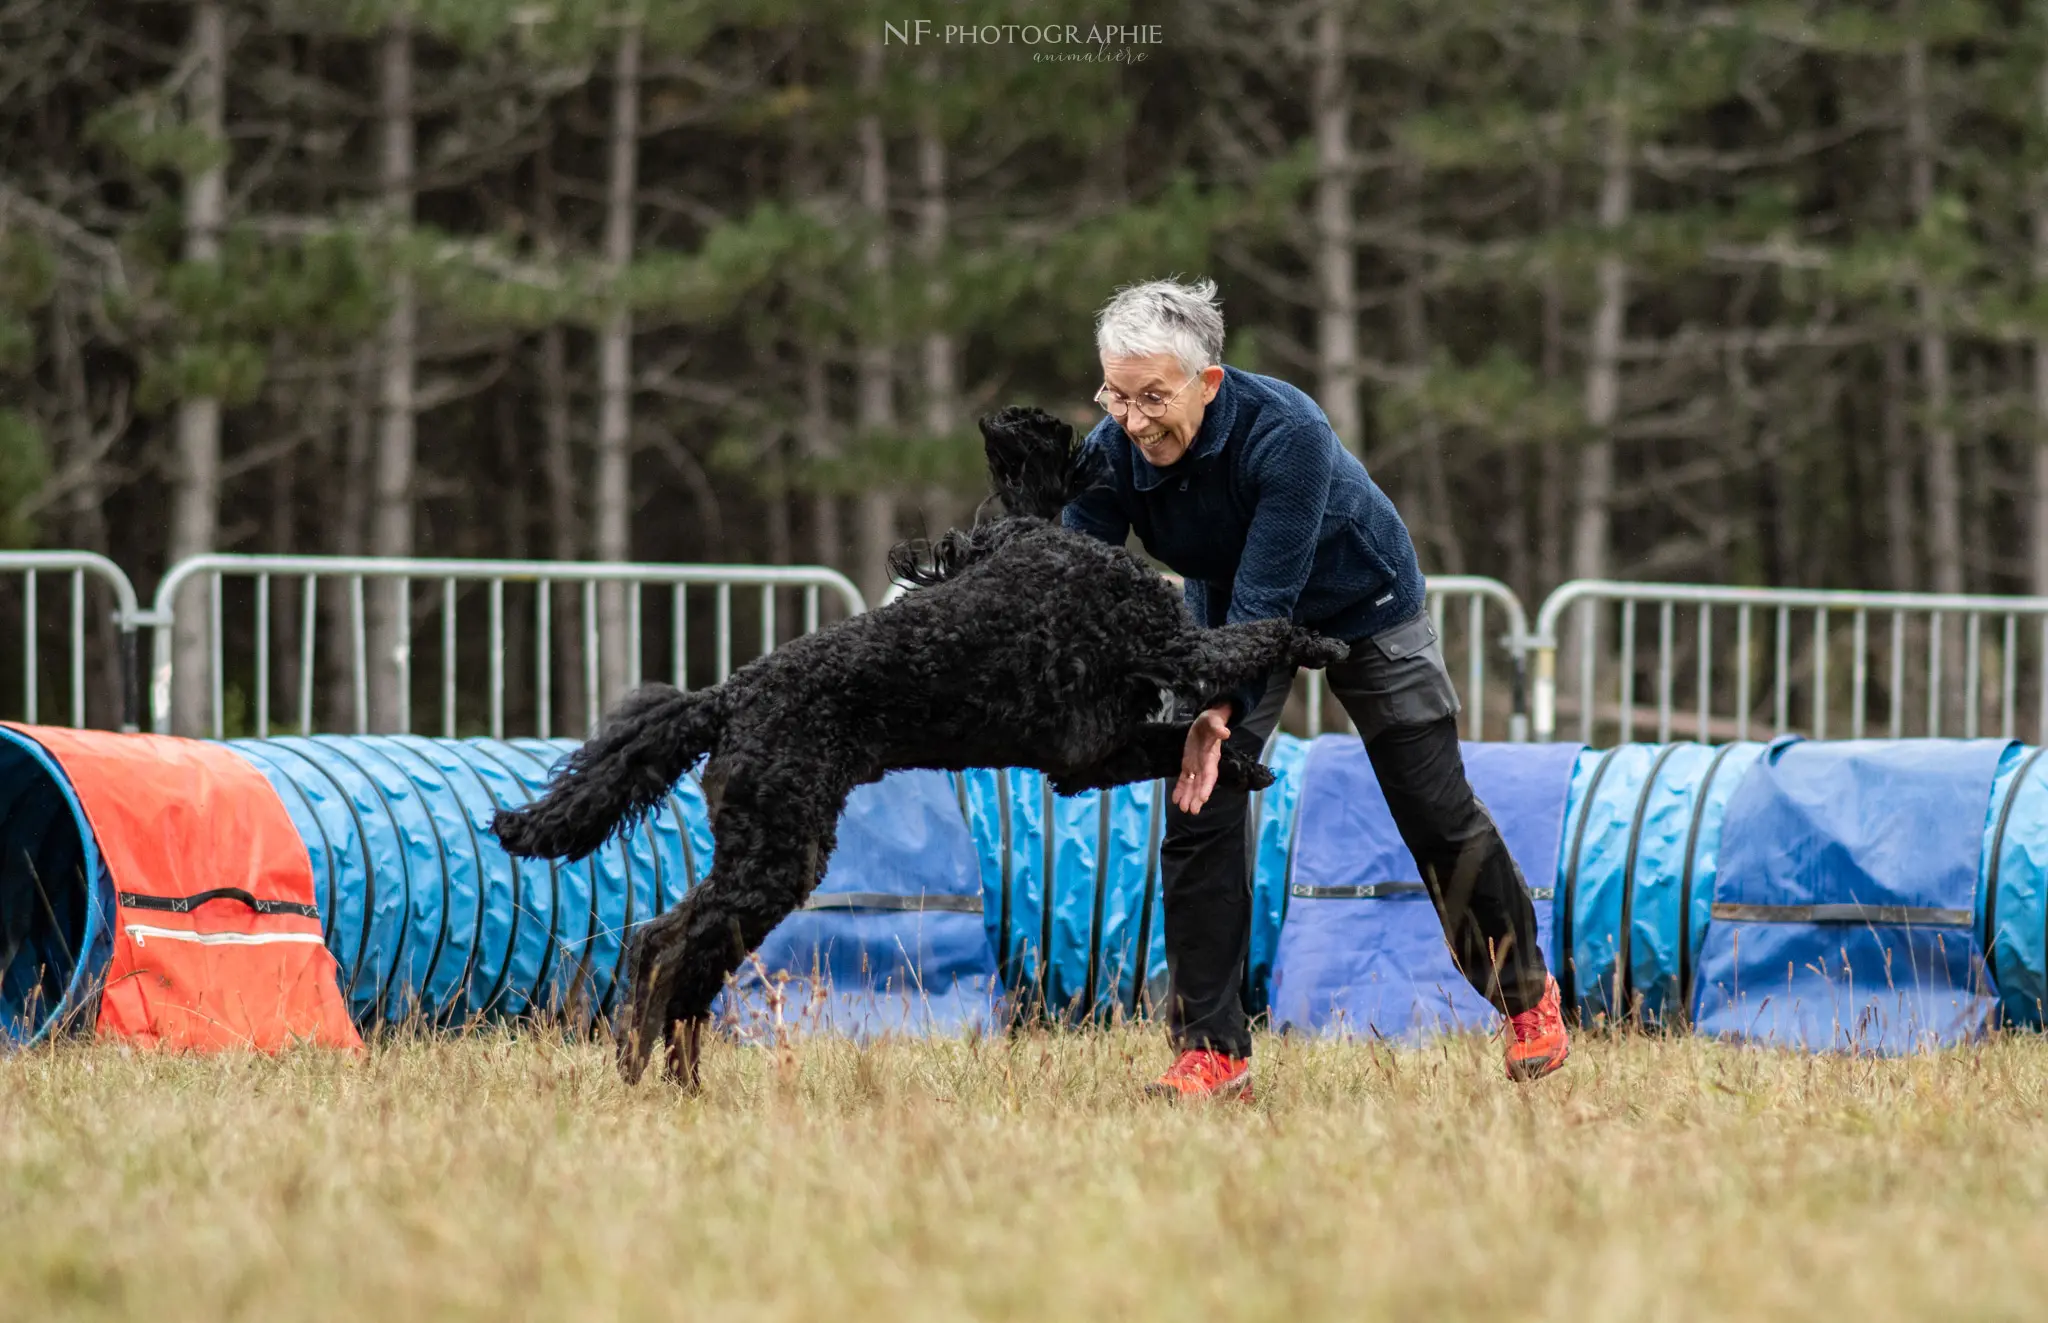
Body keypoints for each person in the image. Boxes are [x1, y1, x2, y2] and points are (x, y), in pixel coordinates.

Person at [1061, 278, 1570, 1100]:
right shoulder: (1113, 444)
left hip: (1362, 603)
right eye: (1115, 395)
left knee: (1432, 806)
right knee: (1199, 801)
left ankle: (1526, 998)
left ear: (1209, 381)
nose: (1133, 418)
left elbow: (1272, 601)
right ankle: (1213, 1049)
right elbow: (1073, 571)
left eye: (1153, 396)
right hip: (1230, 610)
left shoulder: (1287, 433)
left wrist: (1215, 708)